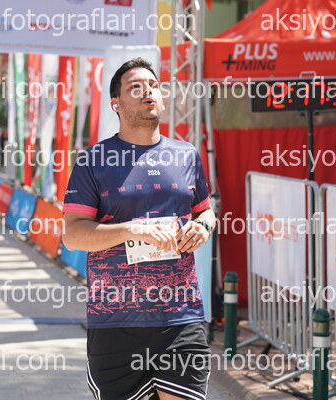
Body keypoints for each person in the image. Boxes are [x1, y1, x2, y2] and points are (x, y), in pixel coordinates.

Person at [62, 58, 216, 400]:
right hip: (116, 321)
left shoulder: (186, 155)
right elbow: (72, 235)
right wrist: (132, 230)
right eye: (135, 86)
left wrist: (204, 227)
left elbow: (206, 211)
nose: (148, 90)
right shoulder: (94, 161)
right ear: (115, 104)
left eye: (153, 85)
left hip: (180, 317)